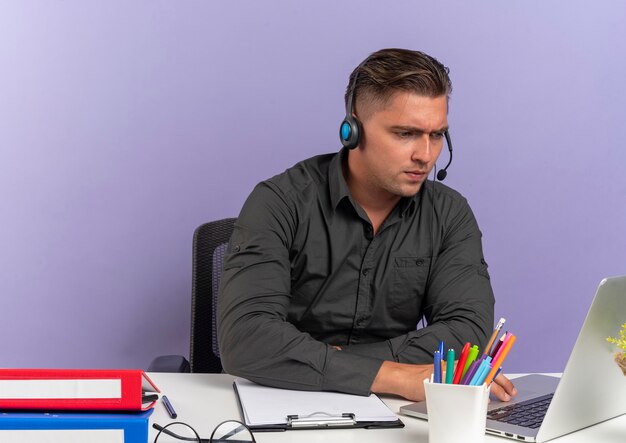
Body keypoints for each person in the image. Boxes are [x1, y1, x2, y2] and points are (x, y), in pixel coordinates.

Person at [217, 48, 516, 402]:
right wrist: (392, 376)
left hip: (392, 406)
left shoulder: (448, 214)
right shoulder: (279, 201)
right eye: (405, 134)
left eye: (436, 135)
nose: (425, 155)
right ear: (352, 130)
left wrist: (348, 366)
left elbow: (466, 333)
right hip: (285, 397)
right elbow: (246, 338)